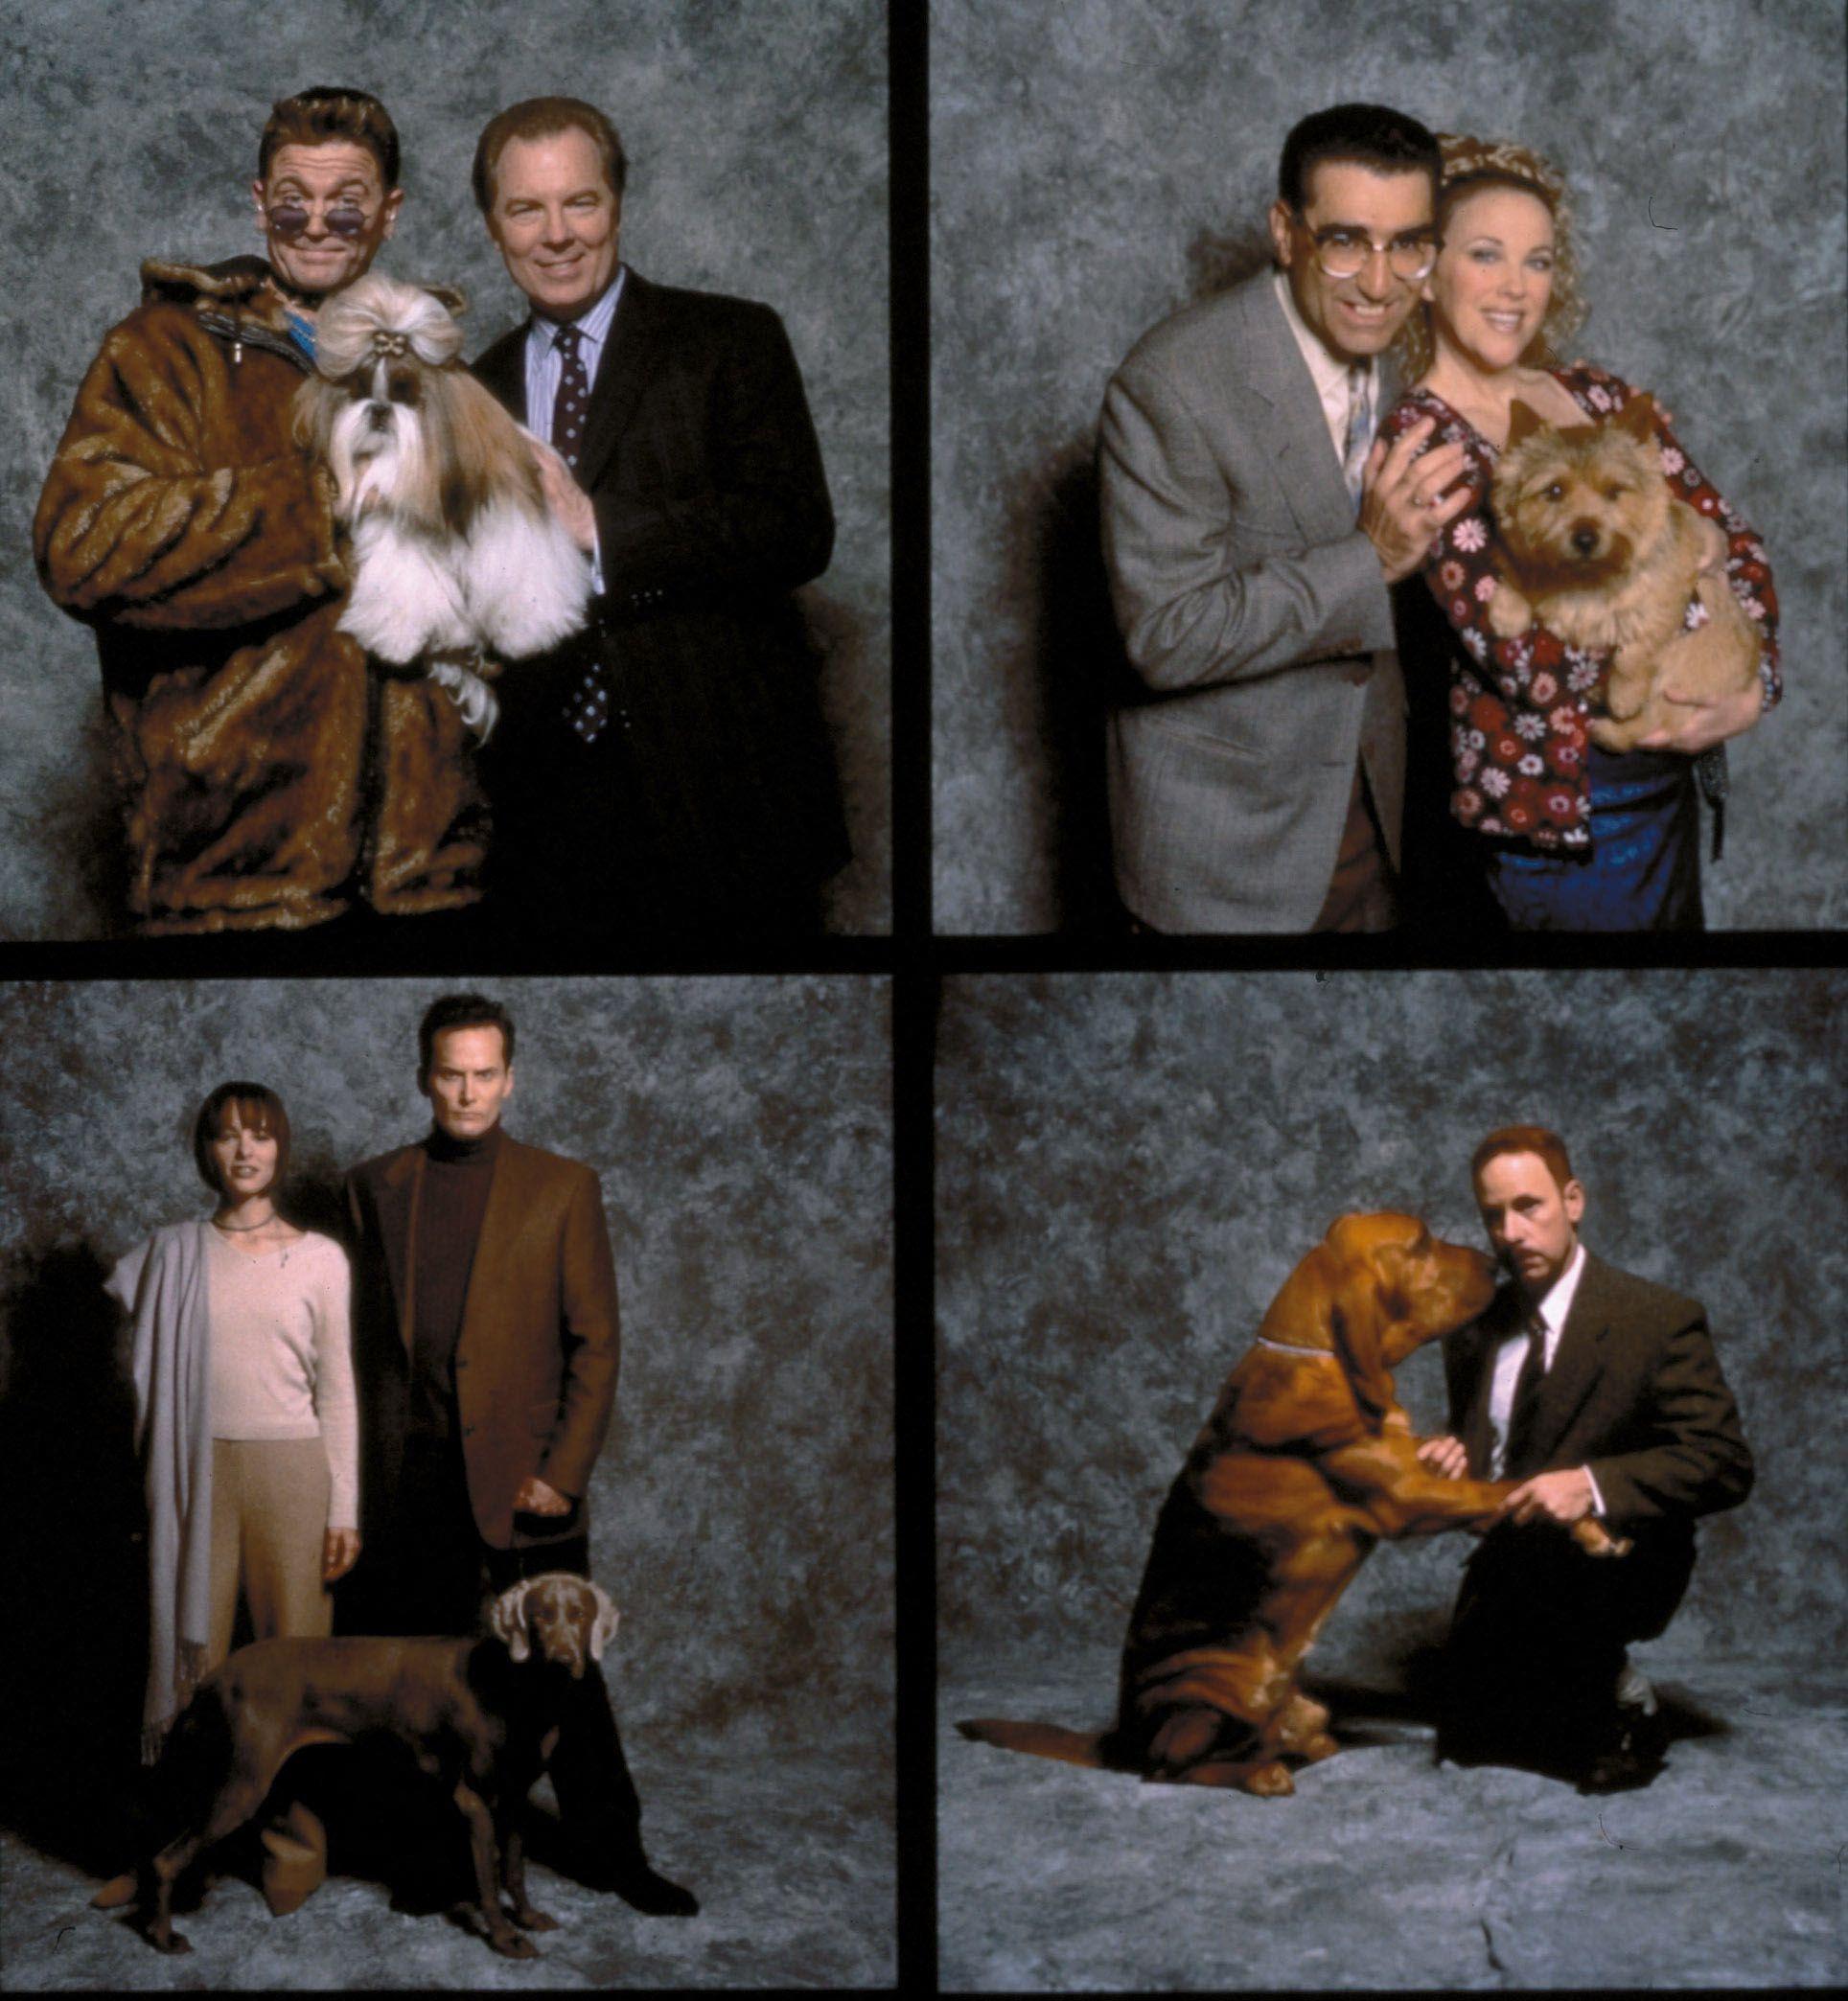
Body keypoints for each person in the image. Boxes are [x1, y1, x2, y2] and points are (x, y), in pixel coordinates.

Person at [34, 86, 491, 938]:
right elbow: (81, 548)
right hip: (233, 875)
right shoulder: (165, 349)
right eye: (292, 205)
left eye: (346, 210)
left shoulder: (443, 377)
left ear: (389, 214)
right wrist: (319, 504)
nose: (316, 225)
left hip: (432, 877)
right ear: (258, 204)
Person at [341, 993, 695, 1912]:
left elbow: (598, 1344)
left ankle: (617, 1854)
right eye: (451, 1074)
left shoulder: (562, 1185)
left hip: (526, 1481)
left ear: (512, 1077)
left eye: (485, 1074)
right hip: (412, 1481)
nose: (468, 1092)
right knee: (422, 1682)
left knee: (566, 1680)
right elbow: (363, 1347)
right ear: (426, 1078)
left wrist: (562, 1473)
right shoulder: (374, 1184)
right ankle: (426, 1863)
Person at [467, 97, 848, 937]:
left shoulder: (730, 339)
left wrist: (599, 530)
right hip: (546, 819)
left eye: (581, 202)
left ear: (618, 205)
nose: (556, 234)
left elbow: (794, 527)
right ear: (493, 227)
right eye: (526, 209)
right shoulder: (473, 391)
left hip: (726, 798)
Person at [1380, 132, 1780, 932]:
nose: (1516, 288)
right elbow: (1536, 661)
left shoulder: (1598, 397)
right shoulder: (1423, 443)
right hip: (1556, 815)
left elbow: (1741, 547)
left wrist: (1752, 687)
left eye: (1538, 261)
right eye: (1487, 255)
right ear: (1427, 272)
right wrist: (1697, 605)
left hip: (1666, 791)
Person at [1097, 103, 1478, 932]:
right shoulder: (1172, 385)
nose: (1380, 284)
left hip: (1371, 817)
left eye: (1408, 244)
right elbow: (1165, 635)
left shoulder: (1405, 349)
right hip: (1226, 849)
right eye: (1345, 241)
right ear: (1286, 231)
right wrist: (1367, 560)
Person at [1418, 1125, 1754, 1791]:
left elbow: (1723, 1461)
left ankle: (1628, 1700)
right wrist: (1453, 1457)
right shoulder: (1475, 1330)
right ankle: (1546, 1669)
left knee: (1569, 1740)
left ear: (1573, 1201)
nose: (1511, 1232)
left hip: (1616, 1556)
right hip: (1512, 1557)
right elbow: (1488, 1449)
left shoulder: (1657, 1320)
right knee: (1471, 1734)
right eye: (1494, 1215)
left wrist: (1593, 1484)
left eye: (1529, 1206)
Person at [104, 1082, 357, 1911]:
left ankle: (294, 1852)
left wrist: (344, 1507)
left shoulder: (320, 1258)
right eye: (225, 1137)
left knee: (297, 1673)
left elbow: (339, 1393)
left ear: (281, 1147)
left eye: (260, 1135)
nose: (244, 1151)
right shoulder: (171, 1252)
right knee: (191, 1673)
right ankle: (173, 1858)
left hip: (294, 1472)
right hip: (199, 1474)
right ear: (205, 1152)